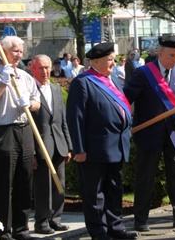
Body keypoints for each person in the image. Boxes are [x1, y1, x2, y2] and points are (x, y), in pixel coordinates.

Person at [123, 35, 175, 232]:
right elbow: (126, 98)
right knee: (145, 176)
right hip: (149, 133)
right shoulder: (143, 73)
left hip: (174, 132)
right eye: (171, 55)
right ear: (160, 54)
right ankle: (140, 219)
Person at [66, 42, 138, 240]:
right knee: (95, 193)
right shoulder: (83, 82)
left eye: (113, 59)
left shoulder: (111, 79)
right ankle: (99, 231)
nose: (113, 63)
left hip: (116, 145)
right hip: (94, 148)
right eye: (109, 60)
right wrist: (79, 148)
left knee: (115, 188)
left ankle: (116, 226)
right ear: (96, 61)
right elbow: (76, 117)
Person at [0, 36, 41, 240]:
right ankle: (3, 230)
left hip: (25, 129)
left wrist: (28, 103)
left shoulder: (25, 76)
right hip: (4, 131)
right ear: (3, 51)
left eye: (21, 51)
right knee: (5, 182)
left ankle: (21, 229)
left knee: (24, 180)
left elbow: (37, 102)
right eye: (15, 50)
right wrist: (3, 83)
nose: (19, 54)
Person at [29, 54, 72, 235]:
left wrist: (69, 146)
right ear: (33, 69)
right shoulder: (29, 91)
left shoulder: (55, 89)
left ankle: (56, 219)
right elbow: (27, 125)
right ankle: (42, 222)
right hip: (41, 148)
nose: (46, 71)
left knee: (59, 185)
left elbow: (62, 121)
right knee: (43, 187)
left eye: (47, 67)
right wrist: (31, 152)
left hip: (59, 145)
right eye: (41, 68)